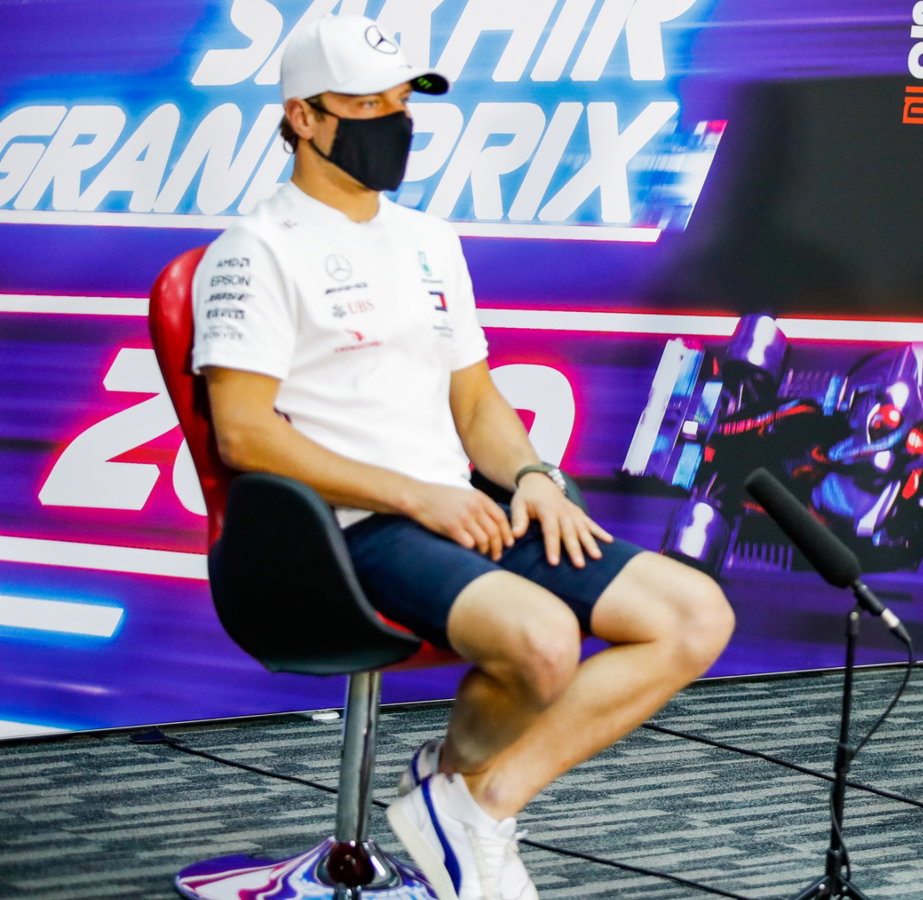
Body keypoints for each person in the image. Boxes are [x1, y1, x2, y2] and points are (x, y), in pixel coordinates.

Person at [191, 16, 735, 900]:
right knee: (545, 640)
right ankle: (454, 802)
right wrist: (417, 496)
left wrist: (531, 478)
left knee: (692, 614)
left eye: (401, 103)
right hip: (339, 529)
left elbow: (475, 399)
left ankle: (474, 802)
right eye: (365, 105)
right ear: (302, 116)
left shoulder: (427, 238)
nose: (390, 122)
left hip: (458, 505)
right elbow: (245, 434)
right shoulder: (255, 251)